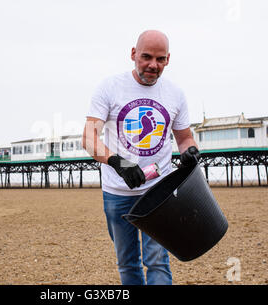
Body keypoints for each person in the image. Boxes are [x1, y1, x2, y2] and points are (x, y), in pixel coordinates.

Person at [82, 30, 200, 285]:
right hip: (117, 192)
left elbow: (184, 139)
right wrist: (119, 163)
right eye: (146, 57)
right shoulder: (110, 87)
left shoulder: (175, 94)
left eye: (160, 59)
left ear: (168, 59)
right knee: (127, 263)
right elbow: (89, 139)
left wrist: (190, 151)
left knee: (158, 260)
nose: (152, 65)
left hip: (160, 191)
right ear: (133, 54)